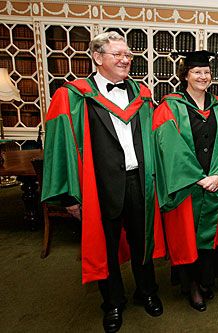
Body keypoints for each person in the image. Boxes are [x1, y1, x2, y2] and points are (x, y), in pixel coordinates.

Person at [41, 32, 165, 333]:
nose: (125, 60)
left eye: (128, 55)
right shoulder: (72, 96)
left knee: (142, 241)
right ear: (97, 57)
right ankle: (112, 303)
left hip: (139, 181)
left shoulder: (142, 95)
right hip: (99, 187)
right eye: (117, 54)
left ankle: (146, 292)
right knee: (105, 247)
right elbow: (60, 147)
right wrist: (70, 197)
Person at [152, 50, 218, 312]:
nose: (203, 76)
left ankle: (206, 279)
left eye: (206, 72)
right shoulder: (170, 106)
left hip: (214, 183)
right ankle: (192, 286)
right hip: (187, 186)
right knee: (186, 237)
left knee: (209, 237)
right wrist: (199, 178)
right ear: (185, 75)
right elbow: (170, 146)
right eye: (197, 72)